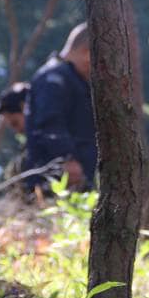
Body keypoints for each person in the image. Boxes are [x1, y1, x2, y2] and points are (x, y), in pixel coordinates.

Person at [24, 23, 96, 192]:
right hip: (54, 181)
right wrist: (67, 158)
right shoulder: (54, 78)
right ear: (88, 53)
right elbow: (50, 123)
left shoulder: (72, 78)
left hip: (74, 179)